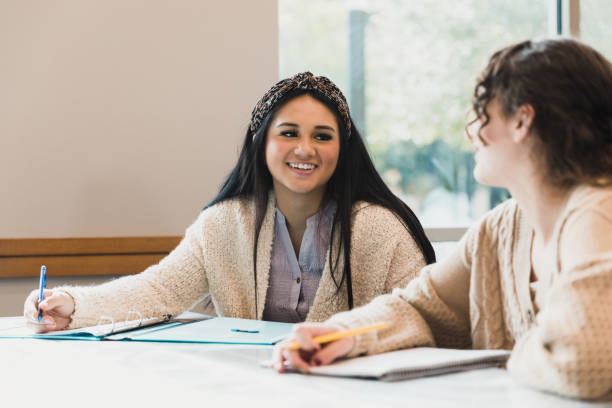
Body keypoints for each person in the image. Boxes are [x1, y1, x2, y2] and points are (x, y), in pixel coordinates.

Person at [274, 39, 612, 400]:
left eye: (483, 113)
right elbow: (420, 308)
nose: (471, 132)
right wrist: (338, 335)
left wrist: (504, 357)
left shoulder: (596, 211)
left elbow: (580, 363)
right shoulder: (500, 229)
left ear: (522, 121)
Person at [23, 72, 435, 332]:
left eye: (322, 136)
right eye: (289, 133)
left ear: (343, 149)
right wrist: (74, 306)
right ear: (261, 143)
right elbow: (159, 290)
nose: (305, 149)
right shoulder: (223, 223)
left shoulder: (382, 229)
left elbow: (423, 318)